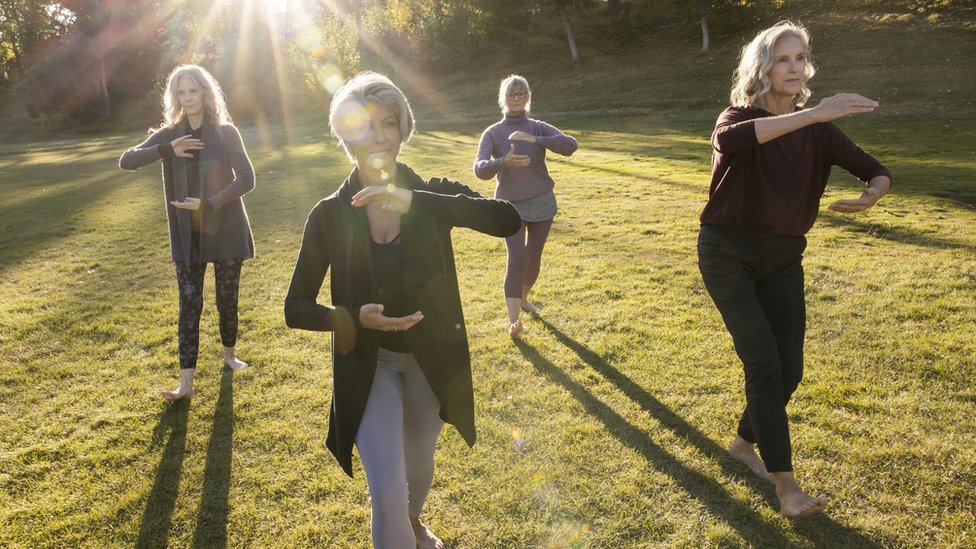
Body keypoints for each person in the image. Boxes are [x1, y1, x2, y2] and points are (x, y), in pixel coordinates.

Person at [284, 72, 520, 549]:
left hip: (431, 362)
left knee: (417, 471)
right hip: (369, 365)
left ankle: (413, 524)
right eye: (363, 126)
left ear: (403, 128)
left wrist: (412, 200)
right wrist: (350, 317)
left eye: (388, 123)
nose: (378, 137)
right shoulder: (329, 214)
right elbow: (295, 307)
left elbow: (507, 220)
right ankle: (402, 526)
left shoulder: (429, 193)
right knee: (387, 492)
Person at [697, 21, 891, 518]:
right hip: (728, 253)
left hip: (784, 257)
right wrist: (816, 115)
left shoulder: (818, 128)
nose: (795, 66)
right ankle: (786, 488)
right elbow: (738, 141)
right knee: (763, 363)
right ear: (763, 66)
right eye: (785, 58)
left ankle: (743, 444)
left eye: (801, 58)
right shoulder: (735, 116)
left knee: (790, 369)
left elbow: (875, 168)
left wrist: (872, 193)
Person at [120, 64, 255, 401]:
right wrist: (167, 150)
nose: (188, 97)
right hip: (187, 238)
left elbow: (247, 179)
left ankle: (229, 356)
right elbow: (127, 160)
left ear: (205, 93)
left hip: (226, 231)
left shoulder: (226, 133)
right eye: (181, 92)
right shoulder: (169, 134)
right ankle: (186, 385)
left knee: (227, 301)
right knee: (189, 306)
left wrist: (207, 205)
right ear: (175, 97)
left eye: (193, 90)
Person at [474, 74, 578, 338]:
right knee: (517, 258)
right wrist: (502, 163)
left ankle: (523, 298)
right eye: (512, 94)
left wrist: (537, 140)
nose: (517, 98)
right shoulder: (493, 133)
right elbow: (479, 169)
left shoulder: (538, 127)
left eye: (522, 94)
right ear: (503, 99)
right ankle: (513, 320)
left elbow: (570, 146)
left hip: (542, 201)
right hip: (509, 205)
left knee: (533, 258)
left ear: (528, 97)